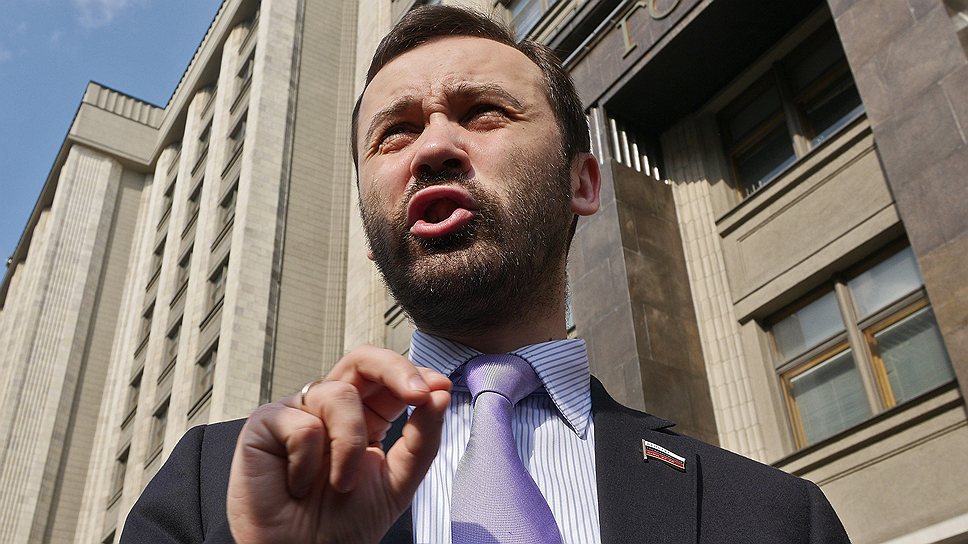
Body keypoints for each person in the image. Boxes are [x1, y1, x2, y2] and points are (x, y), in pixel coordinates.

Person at [121, 5, 850, 543]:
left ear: (582, 183)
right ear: (372, 235)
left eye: (483, 113)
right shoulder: (211, 488)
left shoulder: (778, 518)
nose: (433, 147)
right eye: (396, 132)